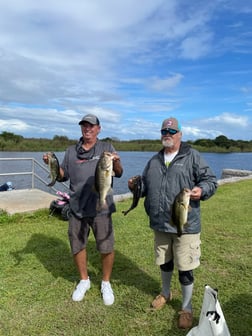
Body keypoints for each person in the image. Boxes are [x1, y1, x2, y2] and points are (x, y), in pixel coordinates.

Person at [129, 117, 217, 329]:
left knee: (185, 268)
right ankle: (165, 293)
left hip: (185, 225)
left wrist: (201, 190)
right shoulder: (153, 161)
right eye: (164, 132)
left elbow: (211, 181)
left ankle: (186, 308)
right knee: (165, 262)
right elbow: (145, 190)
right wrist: (135, 187)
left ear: (180, 134)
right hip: (160, 224)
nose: (167, 135)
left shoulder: (193, 156)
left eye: (172, 132)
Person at [43, 114, 123, 305]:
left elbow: (118, 173)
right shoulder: (71, 151)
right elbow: (63, 176)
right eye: (84, 126)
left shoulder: (106, 148)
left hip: (101, 208)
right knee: (77, 245)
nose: (87, 129)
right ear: (81, 128)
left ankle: (105, 282)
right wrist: (52, 164)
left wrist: (117, 161)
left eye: (91, 126)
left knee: (106, 246)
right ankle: (84, 280)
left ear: (98, 129)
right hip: (77, 207)